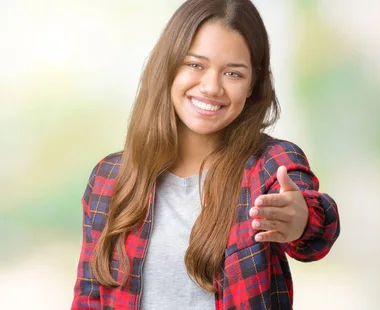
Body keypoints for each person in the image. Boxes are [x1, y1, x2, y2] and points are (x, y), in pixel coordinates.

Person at [70, 0, 340, 309]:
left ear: (253, 83)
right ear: (169, 66)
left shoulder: (269, 165)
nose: (211, 87)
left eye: (233, 74)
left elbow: (318, 229)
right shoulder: (109, 178)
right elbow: (89, 298)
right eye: (195, 65)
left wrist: (302, 218)